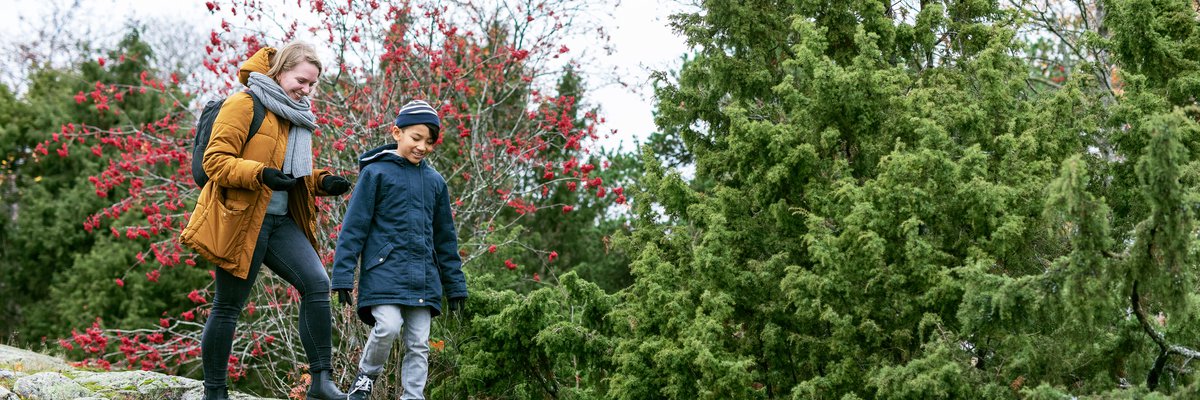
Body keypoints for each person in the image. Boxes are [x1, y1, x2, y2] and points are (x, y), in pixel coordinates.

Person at [180, 43, 350, 400]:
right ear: (282, 70)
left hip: (280, 223)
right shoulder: (244, 104)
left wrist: (321, 182)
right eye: (301, 80)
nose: (306, 90)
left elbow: (293, 174)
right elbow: (215, 161)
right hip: (242, 220)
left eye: (312, 85)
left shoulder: (295, 114)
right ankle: (215, 392)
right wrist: (261, 174)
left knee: (317, 284)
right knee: (228, 306)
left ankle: (321, 381)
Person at [331, 100, 469, 400]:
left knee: (419, 342)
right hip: (384, 272)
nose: (422, 147)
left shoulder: (435, 182)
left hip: (424, 277)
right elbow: (354, 229)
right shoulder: (376, 174)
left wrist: (455, 286)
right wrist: (341, 276)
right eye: (416, 138)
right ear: (397, 132)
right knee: (388, 326)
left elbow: (446, 239)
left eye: (429, 142)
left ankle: (413, 396)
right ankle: (366, 378)